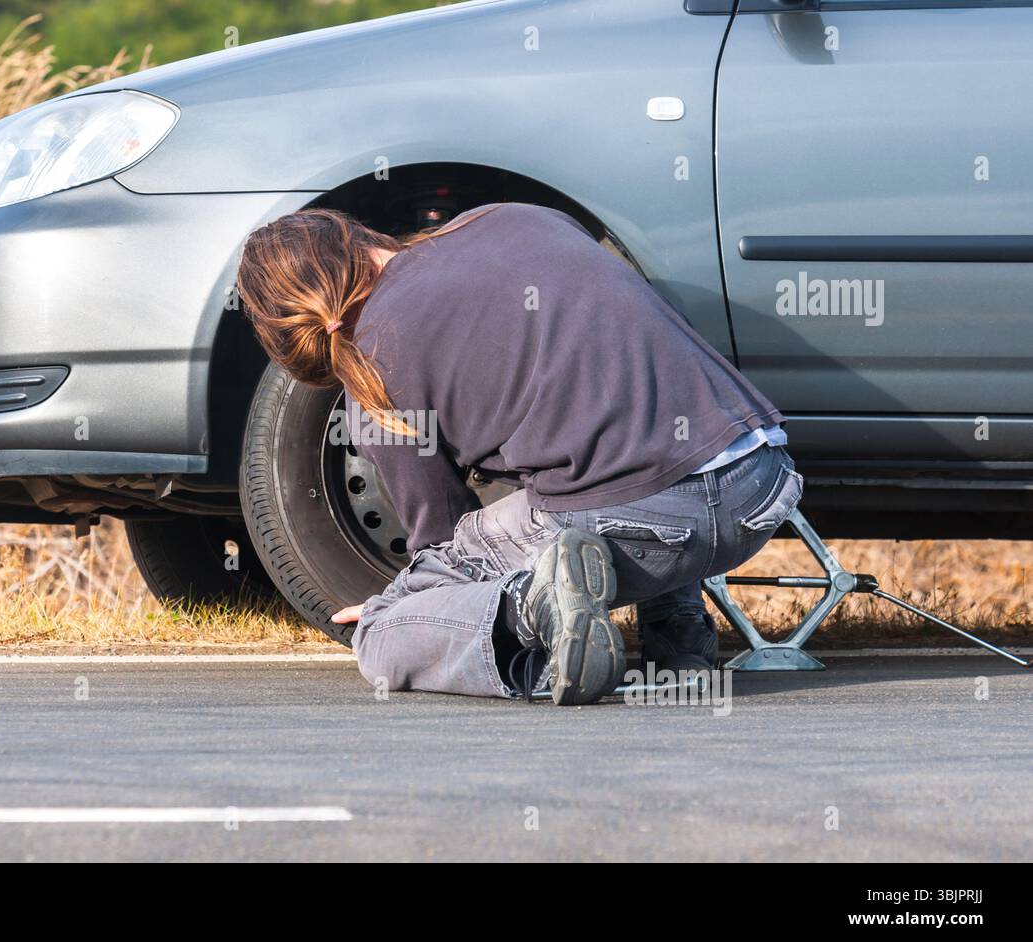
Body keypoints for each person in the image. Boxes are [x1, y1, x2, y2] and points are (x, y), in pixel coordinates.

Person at [236, 203, 802, 705]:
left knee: (380, 635)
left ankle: (538, 614)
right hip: (761, 481)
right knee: (626, 441)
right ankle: (676, 638)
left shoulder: (373, 382)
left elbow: (441, 541)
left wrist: (413, 610)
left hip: (646, 521)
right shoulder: (514, 217)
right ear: (356, 235)